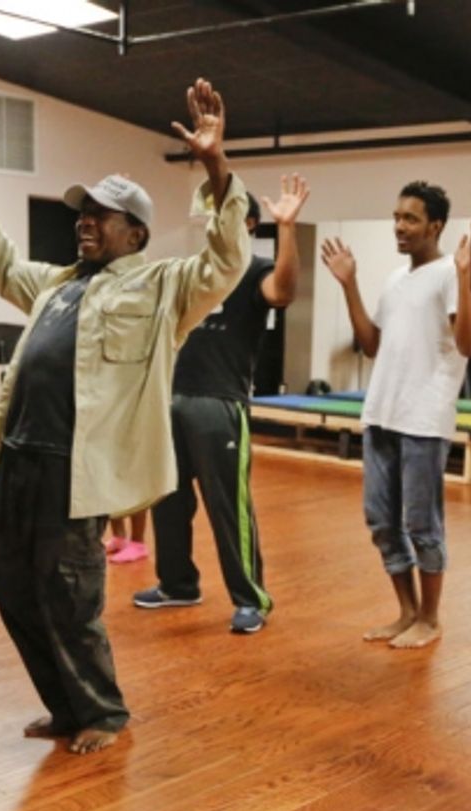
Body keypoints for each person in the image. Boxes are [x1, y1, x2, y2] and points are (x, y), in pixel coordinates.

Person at [0, 78, 250, 754]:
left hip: (73, 469)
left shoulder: (163, 284)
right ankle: (65, 702)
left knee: (69, 592)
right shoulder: (56, 283)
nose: (84, 219)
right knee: (5, 573)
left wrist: (216, 167)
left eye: (102, 213)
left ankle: (103, 712)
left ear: (135, 231)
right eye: (83, 210)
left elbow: (227, 260)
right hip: (17, 458)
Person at [133, 177, 310, 634]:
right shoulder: (193, 270)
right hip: (172, 395)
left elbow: (284, 292)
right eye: (209, 214)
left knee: (227, 505)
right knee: (167, 502)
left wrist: (286, 227)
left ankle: (251, 597)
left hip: (220, 402)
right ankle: (177, 585)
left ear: (247, 223)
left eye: (223, 214)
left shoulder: (256, 269)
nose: (213, 223)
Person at [319, 182, 471, 649]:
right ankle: (407, 611)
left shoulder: (453, 272)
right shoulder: (396, 279)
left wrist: (468, 278)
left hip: (423, 419)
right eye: (396, 217)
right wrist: (349, 283)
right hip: (382, 414)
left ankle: (430, 619)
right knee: (381, 521)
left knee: (421, 523)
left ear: (435, 226)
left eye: (410, 219)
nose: (399, 226)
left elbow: (470, 345)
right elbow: (372, 344)